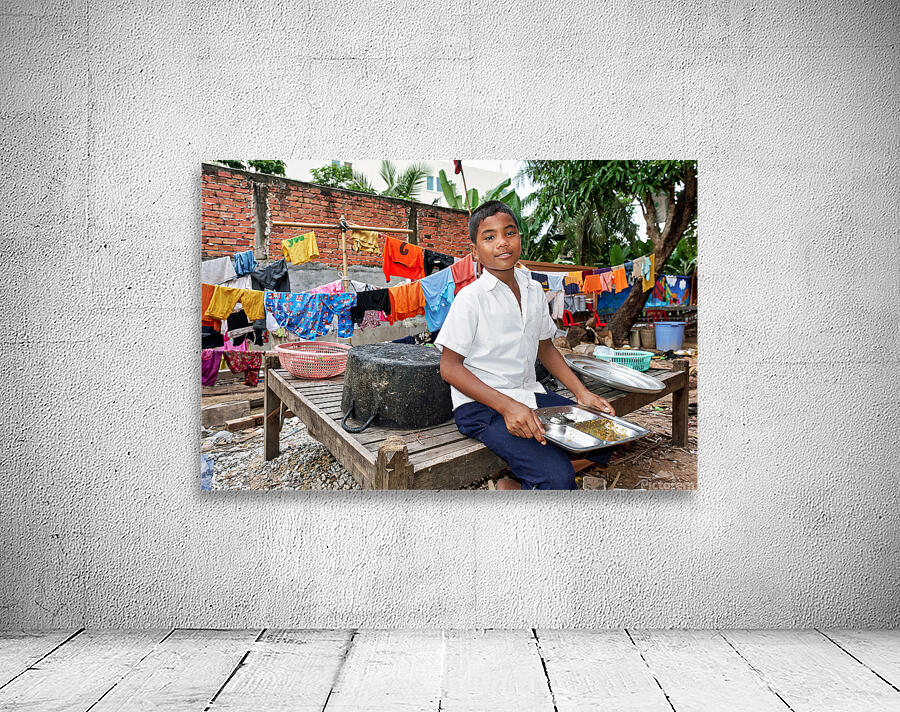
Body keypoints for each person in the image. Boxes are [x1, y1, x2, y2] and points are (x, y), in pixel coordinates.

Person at [435, 200, 617, 490]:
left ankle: (518, 483)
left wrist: (582, 394)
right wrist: (507, 407)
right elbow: (449, 368)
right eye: (489, 236)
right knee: (558, 478)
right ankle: (540, 477)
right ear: (475, 251)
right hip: (482, 408)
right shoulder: (471, 298)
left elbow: (546, 348)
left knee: (604, 433)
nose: (502, 243)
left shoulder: (533, 290)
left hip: (529, 396)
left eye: (510, 232)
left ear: (520, 238)